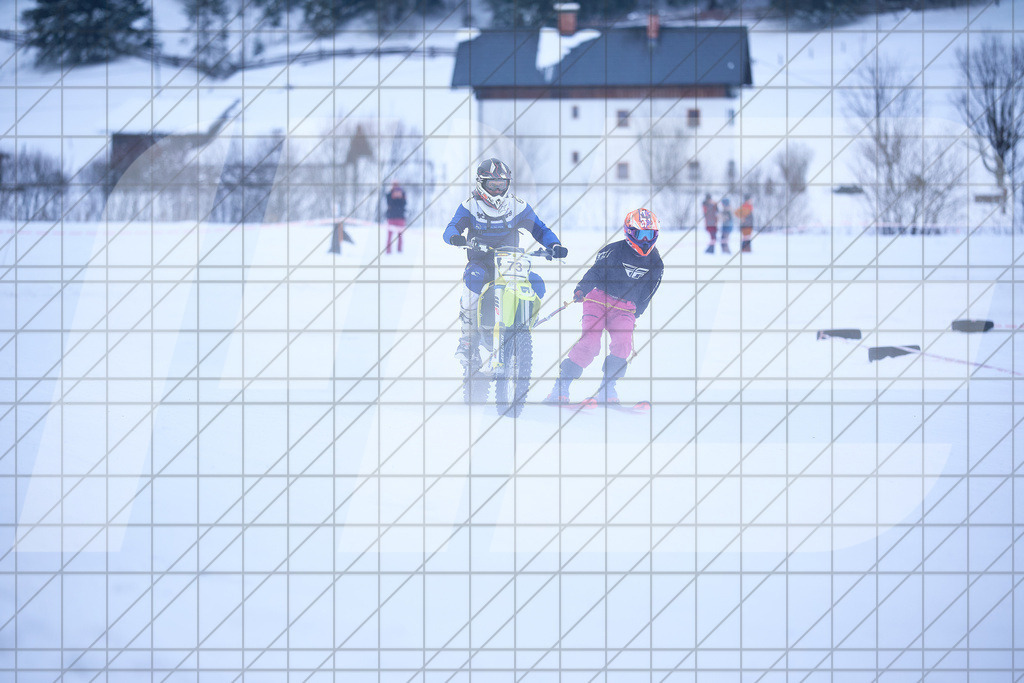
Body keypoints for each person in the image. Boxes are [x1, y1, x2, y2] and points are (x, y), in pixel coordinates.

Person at [443, 158, 568, 369]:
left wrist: (554, 244)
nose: (498, 191)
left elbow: (540, 229)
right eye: (493, 185)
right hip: (481, 262)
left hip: (511, 263)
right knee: (472, 279)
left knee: (537, 283)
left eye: (502, 185)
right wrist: (455, 237)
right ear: (481, 184)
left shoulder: (517, 206)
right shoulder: (469, 206)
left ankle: (522, 327)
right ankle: (468, 339)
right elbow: (451, 228)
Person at [544, 208, 664, 404]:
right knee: (590, 343)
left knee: (624, 344)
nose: (644, 240)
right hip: (597, 300)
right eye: (640, 234)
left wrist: (637, 312)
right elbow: (595, 272)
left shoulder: (656, 262)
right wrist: (582, 289)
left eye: (649, 235)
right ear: (630, 232)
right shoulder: (614, 250)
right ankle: (561, 385)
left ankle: (607, 387)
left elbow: (648, 292)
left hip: (626, 308)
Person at [384, 181, 407, 254]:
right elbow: (389, 203)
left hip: (400, 218)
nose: (395, 186)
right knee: (389, 235)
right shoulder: (389, 194)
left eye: (396, 185)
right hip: (391, 218)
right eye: (394, 185)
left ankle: (399, 251)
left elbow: (404, 204)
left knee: (400, 236)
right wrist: (393, 196)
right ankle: (388, 251)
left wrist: (400, 197)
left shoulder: (403, 194)